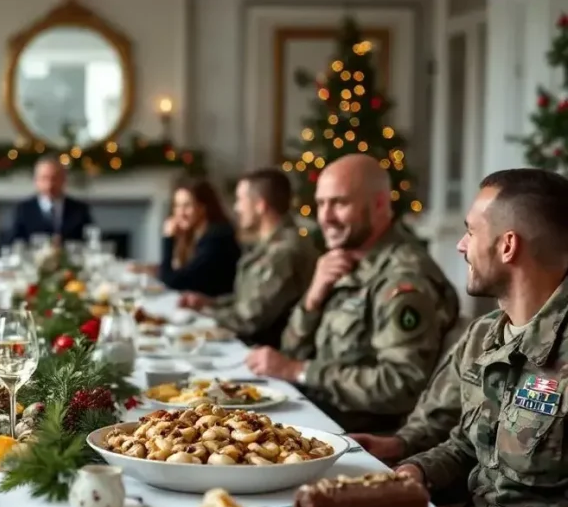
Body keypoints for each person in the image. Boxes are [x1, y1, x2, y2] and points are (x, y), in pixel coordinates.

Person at [391, 169, 568, 507]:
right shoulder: (485, 334)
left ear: (508, 246)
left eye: (471, 231)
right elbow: (468, 444)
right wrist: (416, 472)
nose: (461, 244)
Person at [245, 154, 459, 433]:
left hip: (358, 435)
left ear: (380, 203)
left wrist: (299, 370)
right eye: (321, 204)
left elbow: (400, 385)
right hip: (317, 412)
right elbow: (290, 350)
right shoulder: (343, 260)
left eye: (340, 203)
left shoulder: (404, 277)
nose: (326, 217)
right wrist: (313, 298)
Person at [178, 168, 319, 347]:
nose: (236, 208)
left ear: (260, 205)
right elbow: (248, 300)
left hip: (265, 355)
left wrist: (201, 312)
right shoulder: (269, 244)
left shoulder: (284, 251)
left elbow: (250, 320)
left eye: (240, 200)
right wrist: (210, 302)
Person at [349, 312, 497, 463]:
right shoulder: (482, 330)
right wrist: (401, 445)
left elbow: (400, 385)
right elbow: (440, 416)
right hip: (445, 464)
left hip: (374, 419)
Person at [157, 177, 241, 297]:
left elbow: (173, 281)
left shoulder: (216, 239)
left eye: (187, 206)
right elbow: (183, 272)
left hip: (219, 310)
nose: (180, 213)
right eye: (177, 206)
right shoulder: (199, 234)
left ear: (203, 207)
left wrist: (168, 239)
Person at [4, 156, 94, 247]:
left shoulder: (79, 209)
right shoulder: (23, 209)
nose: (49, 184)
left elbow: (90, 241)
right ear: (36, 181)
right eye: (44, 178)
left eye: (54, 178)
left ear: (64, 180)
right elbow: (13, 243)